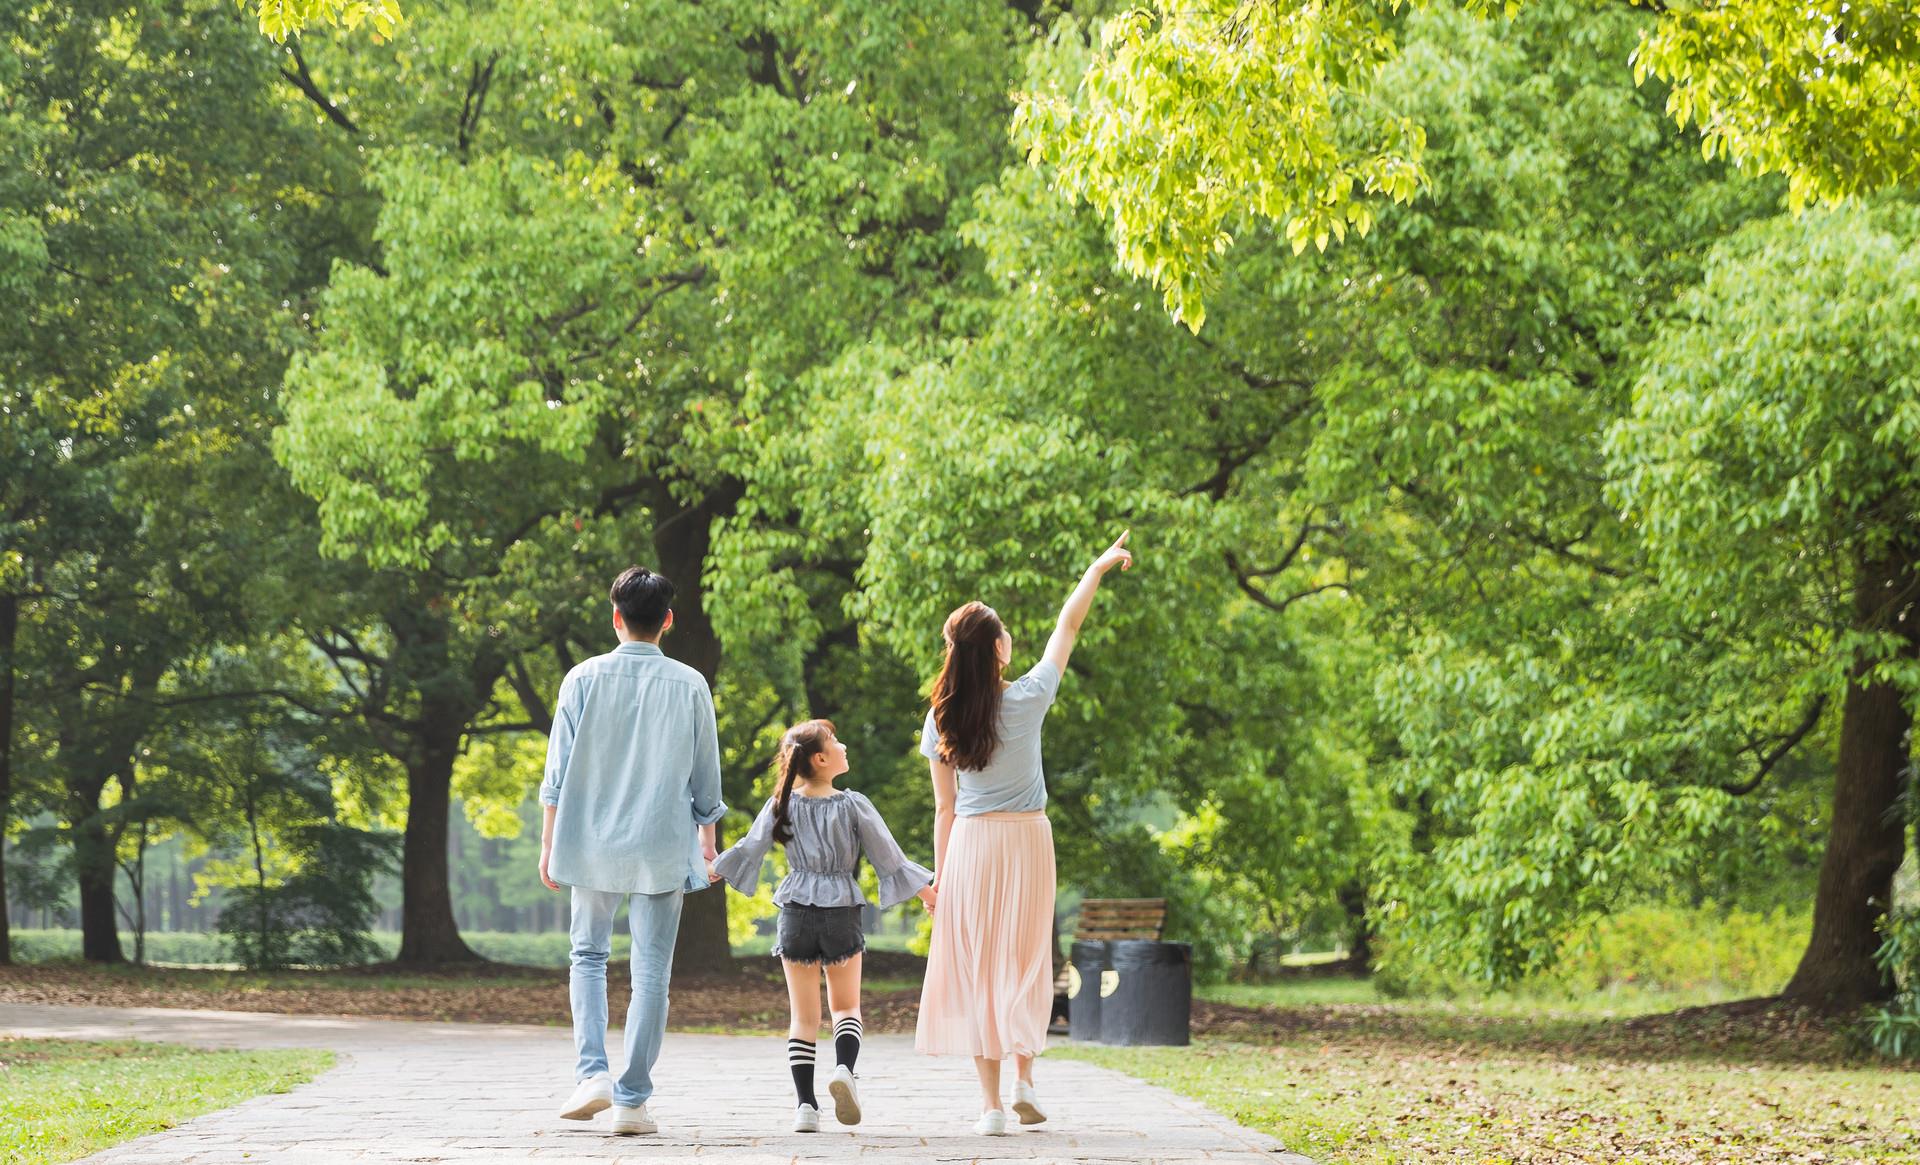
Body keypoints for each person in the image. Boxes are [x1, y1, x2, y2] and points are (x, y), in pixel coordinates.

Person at [914, 530, 1134, 1136]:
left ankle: (989, 1108)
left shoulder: (941, 719)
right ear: (999, 652)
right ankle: (1026, 1081)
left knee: (982, 968)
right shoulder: (1030, 697)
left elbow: (944, 809)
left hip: (973, 847)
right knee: (1027, 962)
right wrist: (1095, 567)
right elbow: (1068, 627)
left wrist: (941, 879)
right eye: (1006, 632)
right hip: (1029, 841)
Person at [538, 566, 727, 1136]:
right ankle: (631, 1099)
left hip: (589, 840)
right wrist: (708, 844)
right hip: (661, 843)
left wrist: (548, 843)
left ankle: (591, 1073)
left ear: (615, 618)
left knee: (588, 956)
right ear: (667, 621)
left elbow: (557, 773)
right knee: (651, 971)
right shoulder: (691, 683)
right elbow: (706, 780)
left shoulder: (581, 678)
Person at [710, 720, 936, 1133]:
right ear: (819, 759)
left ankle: (805, 1109)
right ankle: (845, 1071)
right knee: (846, 1007)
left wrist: (715, 867)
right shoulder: (853, 804)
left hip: (794, 911)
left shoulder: (782, 803)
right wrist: (929, 895)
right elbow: (890, 858)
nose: (844, 745)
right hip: (841, 911)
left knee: (803, 1017)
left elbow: (748, 848)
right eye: (836, 741)